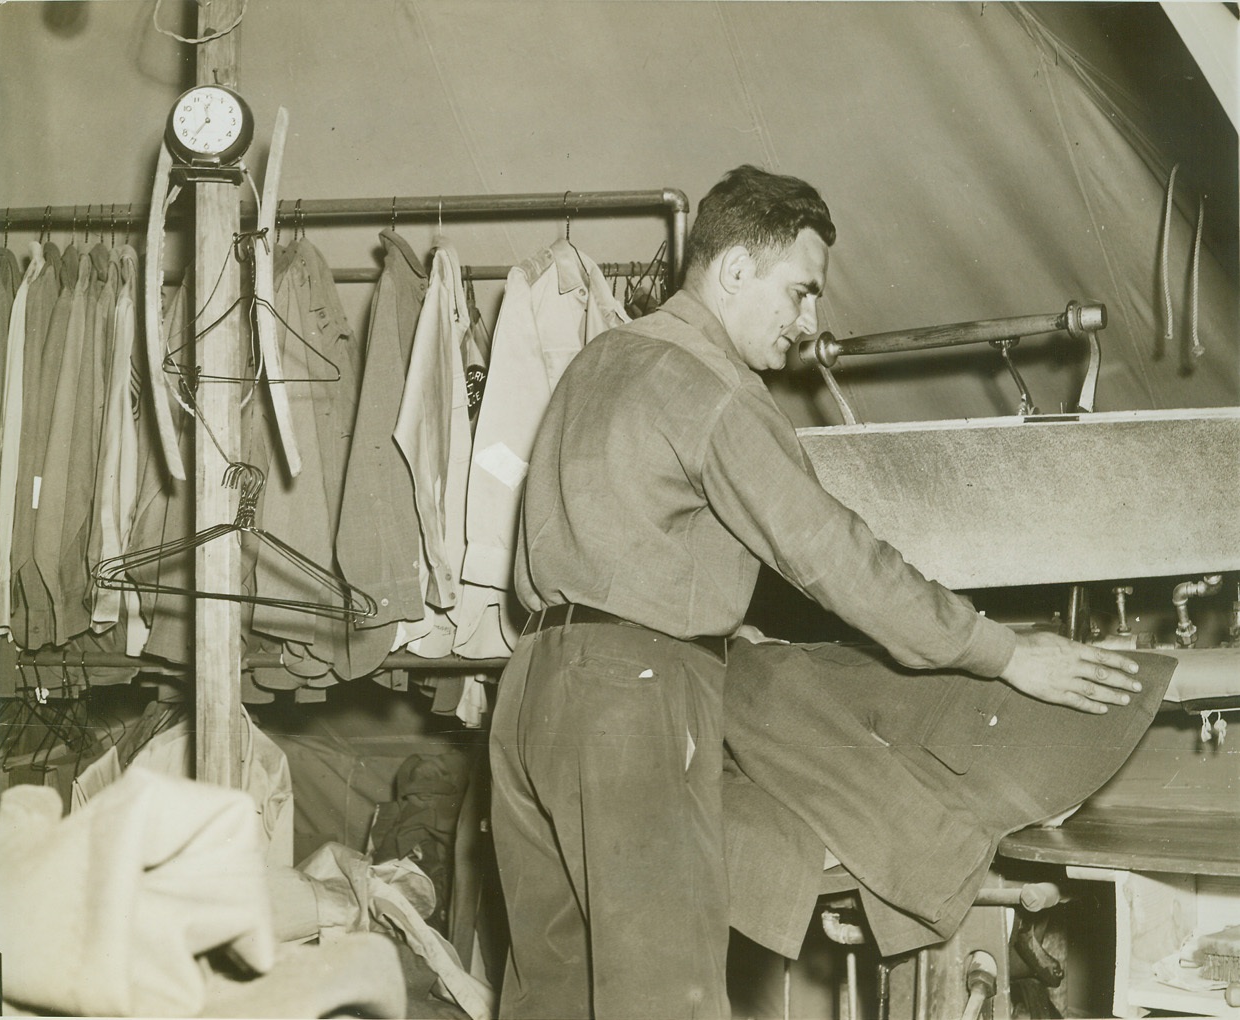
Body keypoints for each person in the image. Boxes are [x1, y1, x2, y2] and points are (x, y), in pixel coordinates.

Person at [487, 164, 1142, 1020]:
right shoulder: (715, 390)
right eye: (800, 293)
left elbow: (626, 548)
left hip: (530, 694)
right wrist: (1009, 652)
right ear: (732, 272)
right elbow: (837, 557)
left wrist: (722, 631)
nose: (809, 323)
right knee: (664, 1003)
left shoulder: (600, 361)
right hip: (633, 703)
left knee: (553, 999)